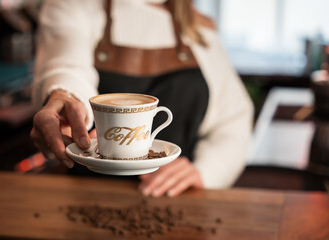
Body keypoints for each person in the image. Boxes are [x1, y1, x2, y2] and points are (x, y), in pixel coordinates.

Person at [31, 0, 253, 197]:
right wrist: (64, 96)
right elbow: (69, 67)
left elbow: (233, 121)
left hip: (174, 199)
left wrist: (206, 171)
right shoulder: (73, 5)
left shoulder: (197, 26)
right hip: (87, 197)